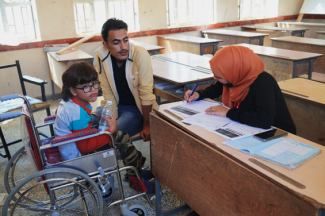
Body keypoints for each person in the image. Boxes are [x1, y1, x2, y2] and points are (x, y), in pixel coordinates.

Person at [54, 62, 146, 190]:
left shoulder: (68, 102)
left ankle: (136, 161)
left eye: (94, 83)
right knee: (121, 136)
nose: (92, 89)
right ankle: (136, 178)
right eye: (85, 86)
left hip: (70, 148)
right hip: (78, 159)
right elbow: (85, 148)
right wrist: (110, 130)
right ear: (73, 90)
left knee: (101, 116)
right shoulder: (77, 113)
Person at [184, 45, 296, 134]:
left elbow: (264, 120)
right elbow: (216, 88)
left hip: (277, 133)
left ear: (233, 73)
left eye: (218, 76)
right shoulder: (237, 76)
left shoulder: (263, 83)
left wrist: (228, 113)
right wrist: (198, 94)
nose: (214, 78)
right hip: (248, 128)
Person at [95, 18, 157, 141]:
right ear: (106, 45)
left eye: (125, 40)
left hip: (136, 110)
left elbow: (146, 93)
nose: (123, 47)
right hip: (115, 105)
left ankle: (135, 158)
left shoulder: (140, 54)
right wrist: (113, 118)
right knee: (91, 123)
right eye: (116, 42)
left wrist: (147, 125)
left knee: (108, 136)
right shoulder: (100, 56)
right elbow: (107, 90)